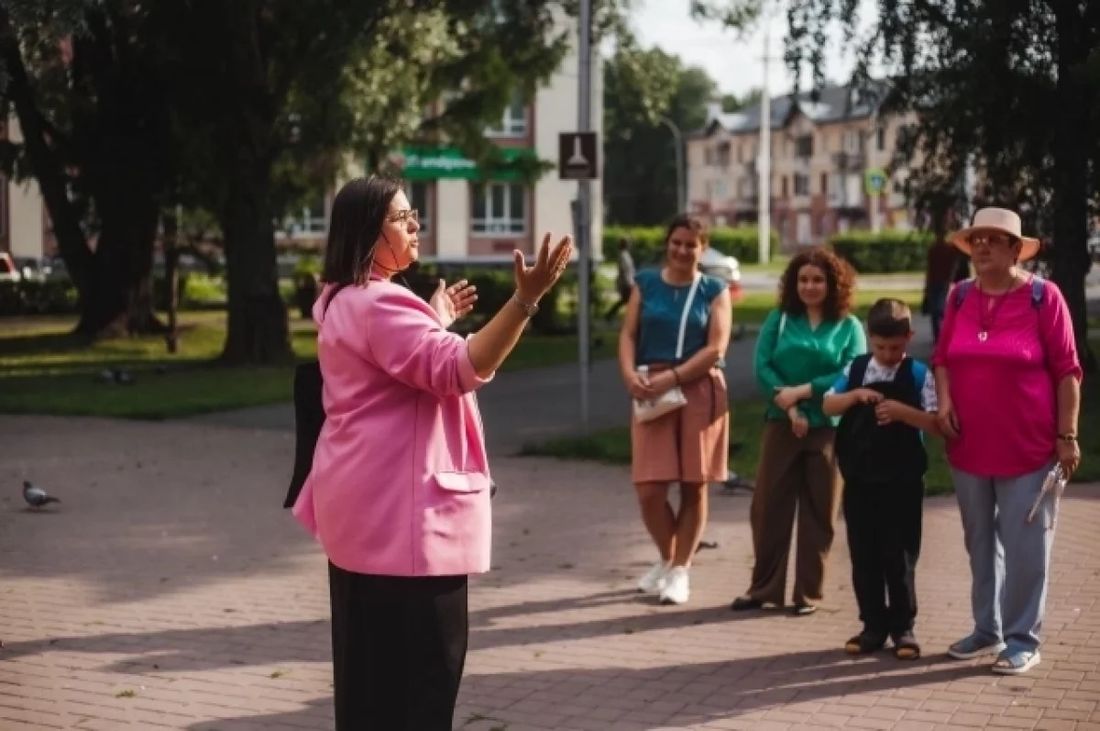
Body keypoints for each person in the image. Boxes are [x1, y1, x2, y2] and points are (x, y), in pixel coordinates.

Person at [291, 176, 573, 729]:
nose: (414, 225)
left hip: (359, 518)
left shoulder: (341, 299)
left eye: (413, 214)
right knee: (421, 690)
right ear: (369, 236)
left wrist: (431, 317)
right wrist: (525, 299)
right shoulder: (381, 305)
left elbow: (392, 364)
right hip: (406, 528)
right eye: (401, 218)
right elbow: (459, 369)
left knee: (368, 684)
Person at [934, 207, 1081, 675]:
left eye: (995, 240)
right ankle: (987, 628)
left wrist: (1067, 435)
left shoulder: (1044, 297)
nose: (982, 247)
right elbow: (941, 359)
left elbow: (1067, 371)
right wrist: (943, 402)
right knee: (979, 542)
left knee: (1026, 546)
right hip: (968, 446)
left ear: (1016, 250)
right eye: (977, 239)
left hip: (1029, 448)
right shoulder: (958, 296)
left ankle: (1022, 639)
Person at [730, 246, 866, 616]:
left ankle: (809, 593)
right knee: (768, 507)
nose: (810, 286)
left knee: (819, 511)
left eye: (818, 280)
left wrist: (803, 392)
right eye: (803, 279)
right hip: (782, 424)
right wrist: (789, 407)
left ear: (833, 283)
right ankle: (763, 588)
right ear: (794, 283)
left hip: (828, 428)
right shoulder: (780, 319)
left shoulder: (849, 326)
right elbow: (763, 368)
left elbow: (851, 372)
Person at [618, 214, 732, 605]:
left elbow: (716, 348)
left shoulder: (714, 289)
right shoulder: (645, 284)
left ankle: (680, 569)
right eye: (677, 242)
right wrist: (629, 373)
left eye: (691, 244)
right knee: (649, 488)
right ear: (668, 243)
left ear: (702, 249)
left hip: (698, 388)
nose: (683, 250)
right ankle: (669, 559)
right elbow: (629, 333)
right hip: (651, 387)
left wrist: (676, 377)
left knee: (693, 483)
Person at [823, 298, 939, 659]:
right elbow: (828, 404)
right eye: (880, 347)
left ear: (909, 337)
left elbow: (936, 423)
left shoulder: (919, 374)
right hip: (859, 478)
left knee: (899, 554)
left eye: (896, 347)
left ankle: (903, 627)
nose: (888, 355)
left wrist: (906, 413)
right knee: (864, 554)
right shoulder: (856, 370)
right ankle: (872, 625)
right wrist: (854, 396)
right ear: (869, 338)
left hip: (901, 481)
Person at [923, 233, 961, 343]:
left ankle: (939, 336)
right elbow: (954, 266)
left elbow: (929, 269)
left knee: (938, 310)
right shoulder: (950, 249)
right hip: (942, 282)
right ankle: (941, 335)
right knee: (941, 309)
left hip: (937, 282)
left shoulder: (935, 249)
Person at [605, 237, 636, 320]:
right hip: (626, 282)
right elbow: (625, 270)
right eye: (628, 243)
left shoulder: (625, 254)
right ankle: (610, 315)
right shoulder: (623, 255)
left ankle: (609, 315)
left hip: (627, 281)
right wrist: (630, 282)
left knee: (625, 301)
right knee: (629, 301)